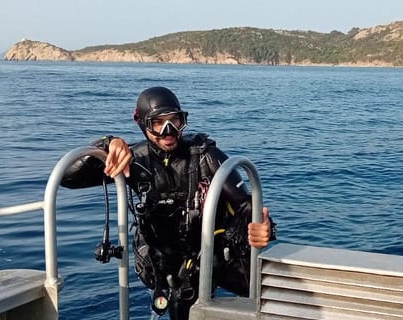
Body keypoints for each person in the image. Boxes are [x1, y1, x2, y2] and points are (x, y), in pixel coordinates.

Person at [61, 86, 275, 319]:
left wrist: (263, 226)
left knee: (267, 294)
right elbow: (68, 178)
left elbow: (245, 205)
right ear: (141, 123)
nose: (168, 131)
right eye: (158, 123)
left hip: (212, 251)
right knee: (180, 300)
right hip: (165, 259)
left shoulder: (206, 157)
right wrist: (106, 145)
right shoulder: (134, 161)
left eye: (175, 121)